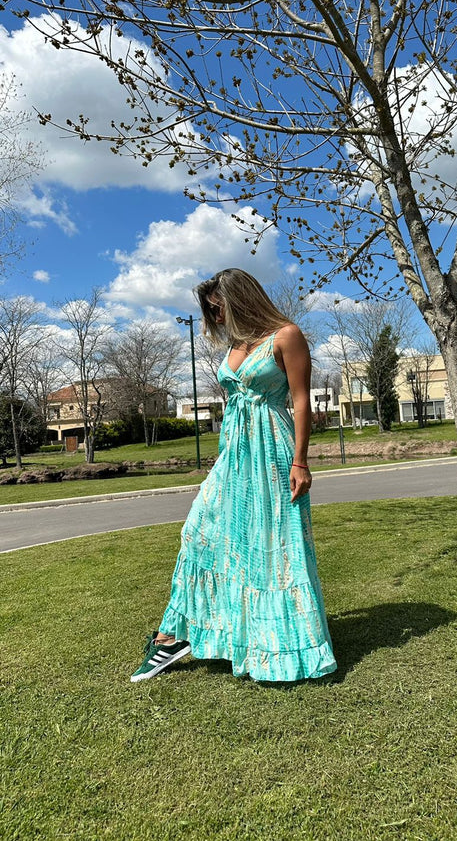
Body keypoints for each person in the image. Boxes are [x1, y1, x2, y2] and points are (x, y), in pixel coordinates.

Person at [131, 268, 337, 683]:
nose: (216, 317)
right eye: (211, 311)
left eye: (218, 307)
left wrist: (300, 461)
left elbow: (301, 403)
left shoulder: (286, 335)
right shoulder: (236, 345)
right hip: (236, 455)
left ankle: (277, 643)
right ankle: (182, 634)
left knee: (272, 544)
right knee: (200, 530)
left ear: (240, 298)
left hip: (274, 451)